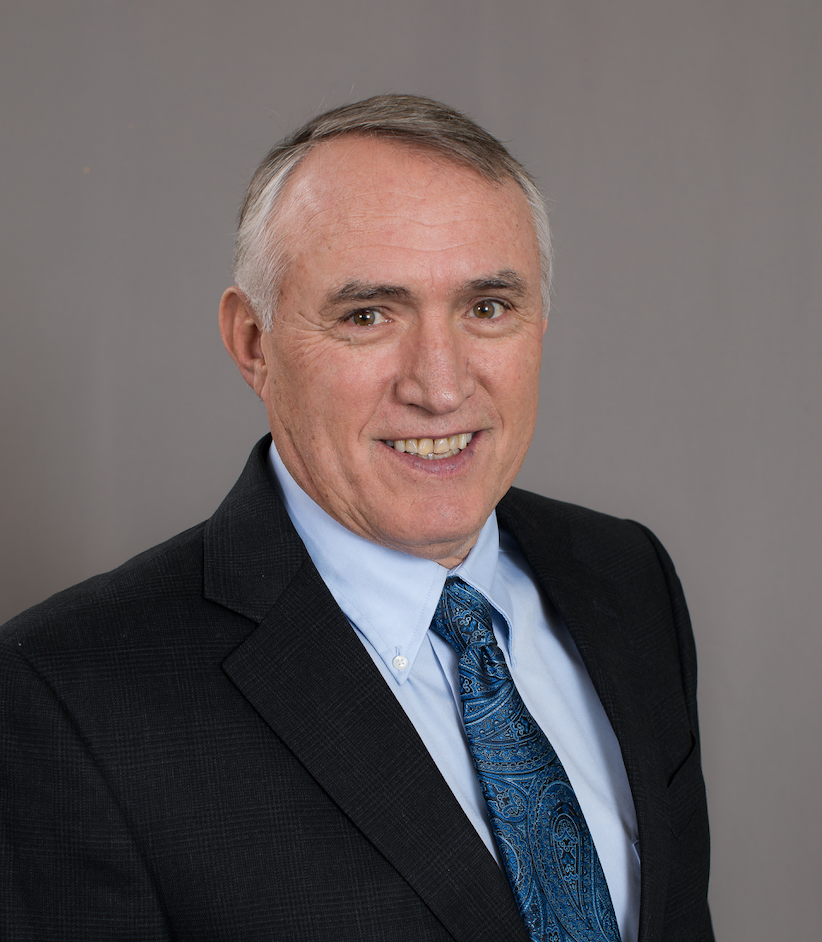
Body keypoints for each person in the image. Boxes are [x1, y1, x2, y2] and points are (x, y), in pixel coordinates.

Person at [0, 95, 713, 942]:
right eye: (367, 316)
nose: (440, 386)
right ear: (253, 344)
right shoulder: (69, 696)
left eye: (487, 307)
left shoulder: (627, 579)